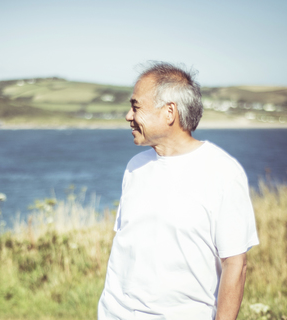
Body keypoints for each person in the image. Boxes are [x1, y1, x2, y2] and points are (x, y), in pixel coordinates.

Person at [98, 62, 259, 320]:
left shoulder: (223, 173)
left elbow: (235, 265)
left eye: (136, 106)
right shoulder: (134, 167)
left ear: (169, 112)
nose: (128, 115)